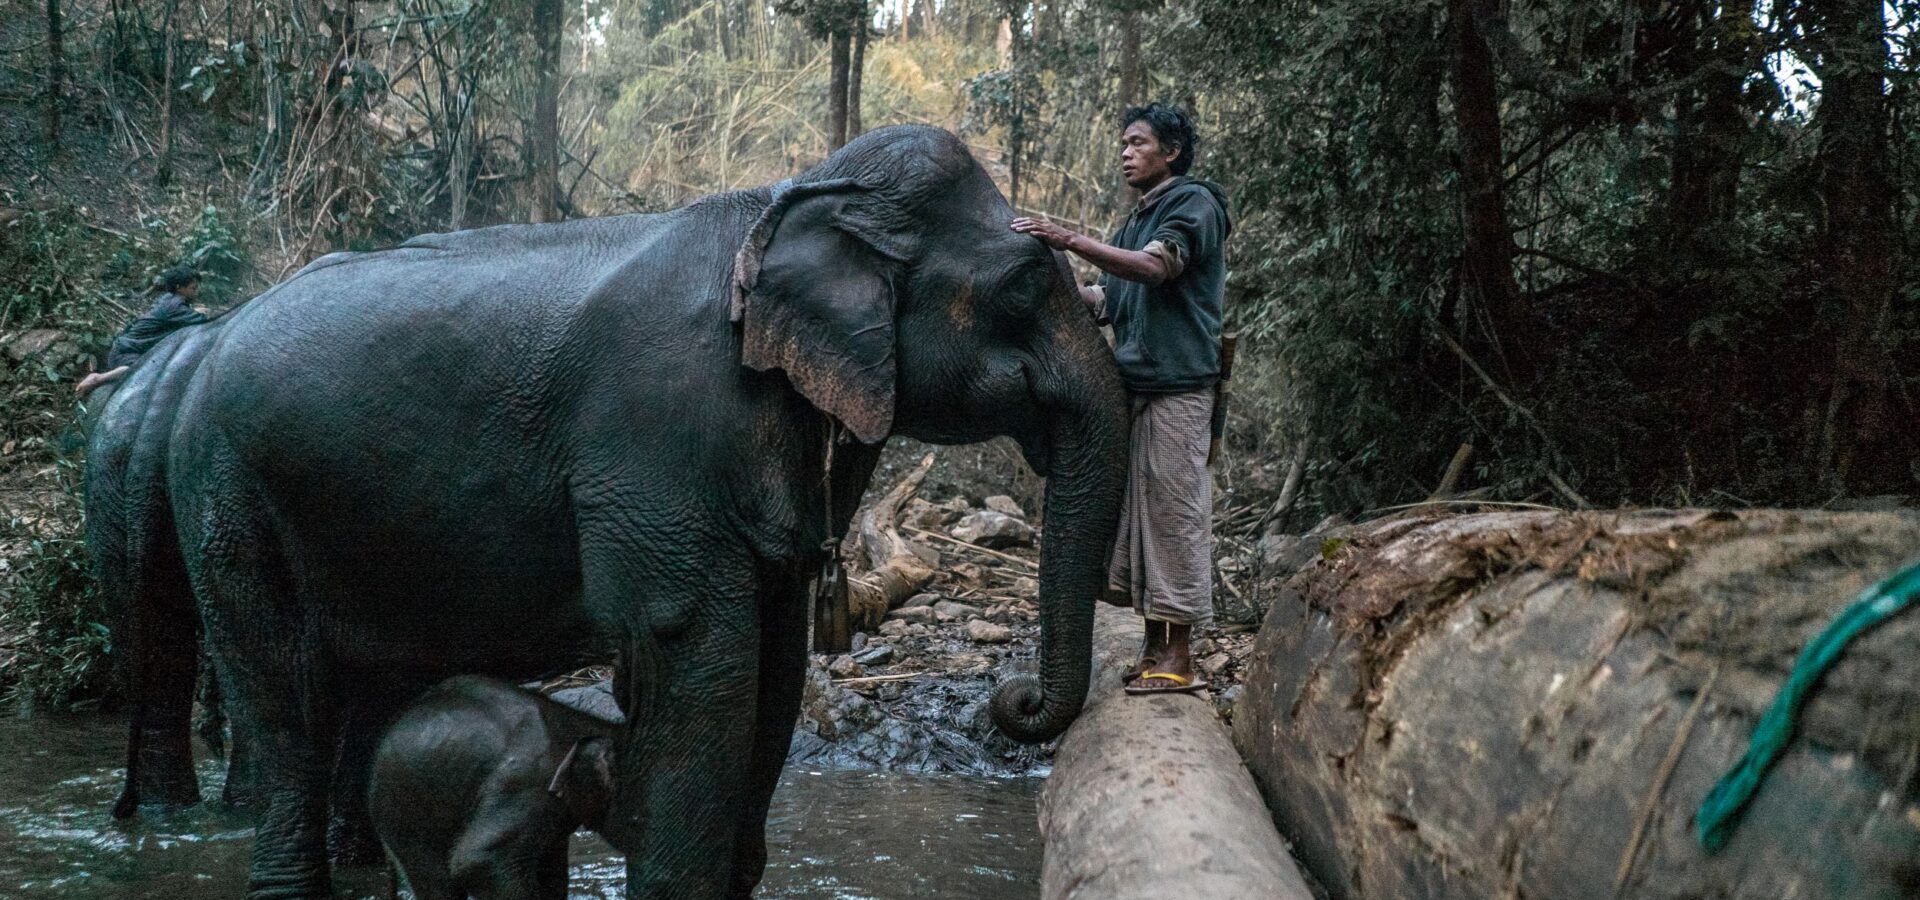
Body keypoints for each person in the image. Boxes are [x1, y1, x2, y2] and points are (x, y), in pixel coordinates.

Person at [1010, 103, 1231, 695]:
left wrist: (1070, 239)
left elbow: (1156, 270)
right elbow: (1111, 299)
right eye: (1123, 144)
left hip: (1178, 389)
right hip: (1137, 390)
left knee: (1173, 517)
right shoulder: (1138, 218)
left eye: (1137, 143)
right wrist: (1051, 277)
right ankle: (1155, 651)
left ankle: (1179, 661)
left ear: (1172, 152)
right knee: (1141, 522)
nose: (1126, 153)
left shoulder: (1192, 205)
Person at [76, 266, 210, 398]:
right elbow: (202, 320)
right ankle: (98, 378)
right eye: (193, 288)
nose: (196, 292)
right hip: (127, 352)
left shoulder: (168, 299)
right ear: (179, 287)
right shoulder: (175, 307)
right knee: (139, 372)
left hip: (126, 347)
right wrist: (201, 314)